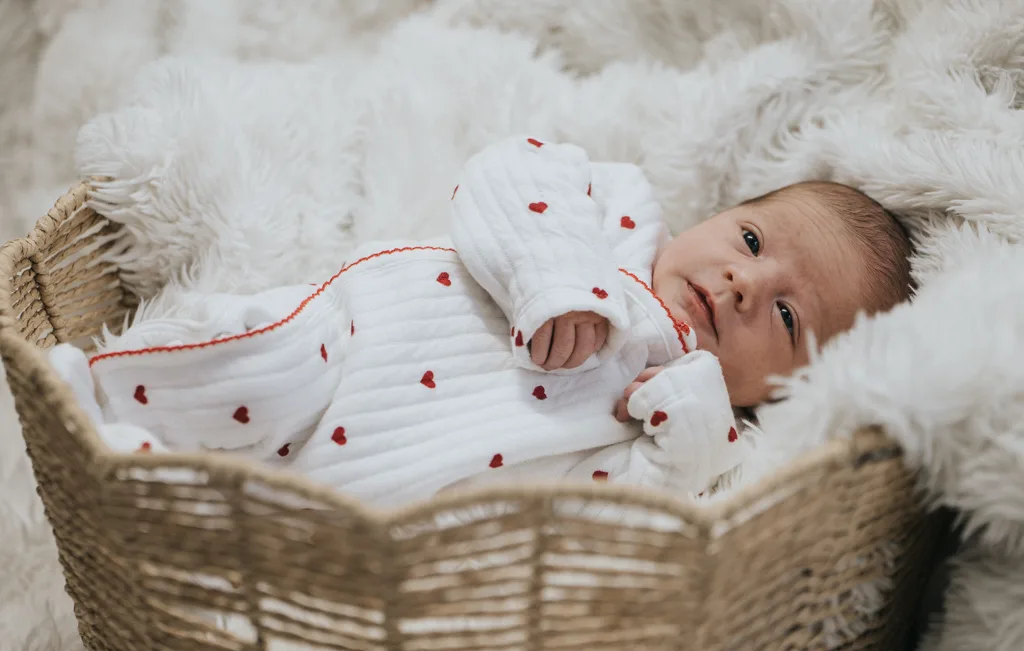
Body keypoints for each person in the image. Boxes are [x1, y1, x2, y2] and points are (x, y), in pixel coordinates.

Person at [50, 136, 912, 507]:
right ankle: (108, 406)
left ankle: (151, 488)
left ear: (791, 387)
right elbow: (506, 171)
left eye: (789, 314)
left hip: (407, 484)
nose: (739, 284)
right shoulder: (621, 218)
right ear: (716, 213)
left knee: (289, 542)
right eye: (751, 238)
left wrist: (688, 437)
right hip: (357, 345)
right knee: (255, 359)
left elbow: (630, 523)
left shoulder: (696, 422)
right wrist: (554, 278)